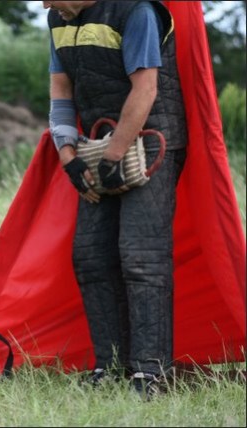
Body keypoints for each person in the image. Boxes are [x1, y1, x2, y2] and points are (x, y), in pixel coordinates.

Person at [43, 1, 188, 398]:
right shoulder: (58, 17)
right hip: (97, 145)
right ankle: (110, 367)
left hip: (153, 141)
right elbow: (60, 90)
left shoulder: (135, 10)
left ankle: (150, 374)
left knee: (141, 256)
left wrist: (114, 154)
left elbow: (147, 87)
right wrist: (69, 156)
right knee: (90, 256)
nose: (44, 4)